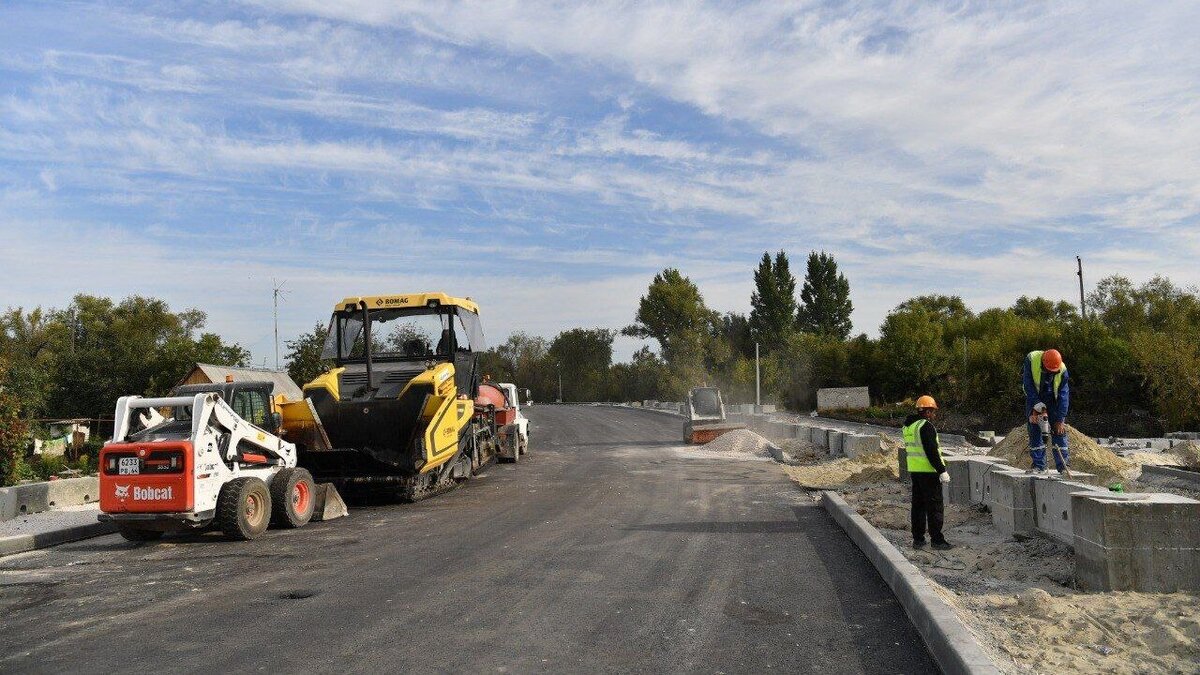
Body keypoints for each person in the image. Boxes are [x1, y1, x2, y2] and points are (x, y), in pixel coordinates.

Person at [903, 395, 952, 550]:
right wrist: (942, 470)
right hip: (929, 472)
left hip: (915, 471)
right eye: (933, 411)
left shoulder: (909, 426)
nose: (934, 415)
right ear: (928, 411)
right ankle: (937, 540)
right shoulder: (925, 426)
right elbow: (931, 451)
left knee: (918, 506)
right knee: (935, 506)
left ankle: (918, 539)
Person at [1022, 349, 1070, 473]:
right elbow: (1028, 384)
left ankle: (1063, 466)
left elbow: (1063, 395)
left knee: (1059, 431)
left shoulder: (1062, 370)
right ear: (1043, 363)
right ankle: (1039, 465)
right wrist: (1035, 406)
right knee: (1034, 428)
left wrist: (1060, 419)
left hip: (1053, 401)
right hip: (1035, 397)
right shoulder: (1032, 359)